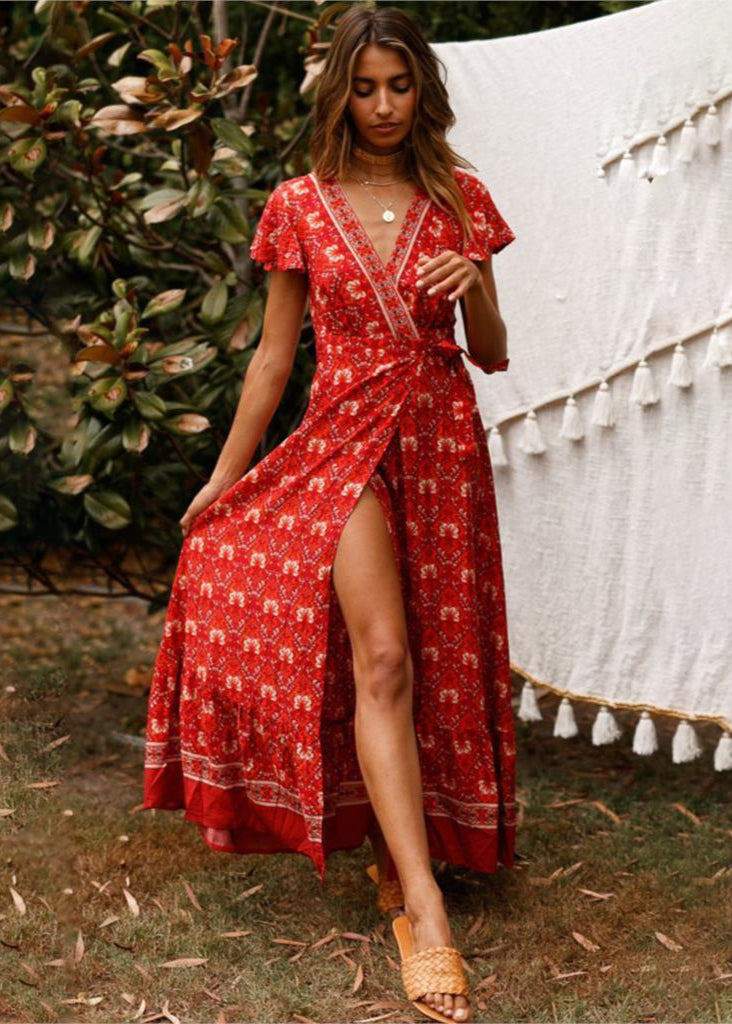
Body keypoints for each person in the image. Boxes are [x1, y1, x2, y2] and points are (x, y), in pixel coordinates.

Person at [143, 6, 517, 1022]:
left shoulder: (462, 198)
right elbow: (274, 357)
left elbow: (492, 351)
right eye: (365, 87)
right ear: (339, 94)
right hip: (342, 441)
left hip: (440, 442)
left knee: (430, 653)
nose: (383, 105)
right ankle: (425, 912)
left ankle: (402, 853)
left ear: (421, 90)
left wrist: (474, 284)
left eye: (399, 85)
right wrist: (224, 478)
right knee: (383, 655)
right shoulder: (298, 204)